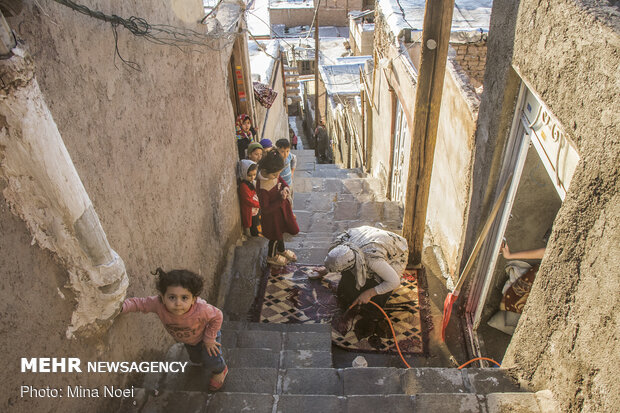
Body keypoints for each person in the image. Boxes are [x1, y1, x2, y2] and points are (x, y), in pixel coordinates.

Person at [120, 268, 228, 391]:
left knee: (212, 360)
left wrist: (209, 338)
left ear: (193, 299)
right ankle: (205, 361)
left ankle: (220, 370)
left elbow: (218, 315)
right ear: (162, 297)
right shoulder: (158, 304)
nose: (178, 303)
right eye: (172, 297)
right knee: (196, 359)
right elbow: (140, 304)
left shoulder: (201, 309)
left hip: (207, 339)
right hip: (188, 340)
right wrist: (121, 307)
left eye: (184, 298)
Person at [317, 226, 408, 316]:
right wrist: (326, 269)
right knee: (345, 293)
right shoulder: (342, 241)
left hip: (396, 252)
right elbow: (337, 260)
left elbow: (394, 282)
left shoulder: (372, 259)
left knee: (372, 303)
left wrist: (369, 293)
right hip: (372, 239)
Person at [256, 150, 299, 266]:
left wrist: (285, 188)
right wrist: (280, 200)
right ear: (265, 171)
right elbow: (265, 209)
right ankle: (272, 256)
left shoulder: (273, 175)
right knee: (275, 237)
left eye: (278, 174)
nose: (276, 176)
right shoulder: (263, 187)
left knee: (281, 232)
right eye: (274, 175)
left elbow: (281, 181)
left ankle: (281, 250)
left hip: (281, 212)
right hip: (272, 217)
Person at [237, 160, 261, 237]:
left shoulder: (251, 182)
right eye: (249, 175)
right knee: (253, 224)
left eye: (254, 175)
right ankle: (253, 235)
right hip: (250, 210)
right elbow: (248, 200)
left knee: (256, 222)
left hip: (255, 208)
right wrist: (259, 204)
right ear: (244, 173)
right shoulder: (243, 186)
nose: (252, 177)